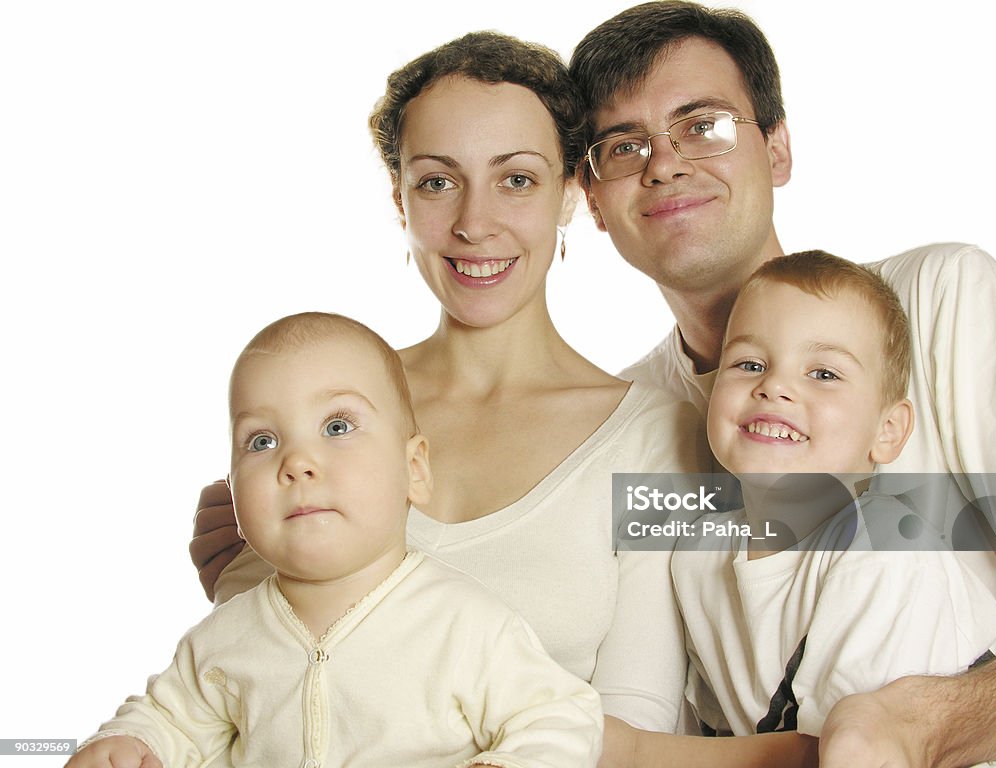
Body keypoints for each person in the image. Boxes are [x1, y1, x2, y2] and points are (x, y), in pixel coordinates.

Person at [190, 31, 707, 733]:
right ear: (400, 201)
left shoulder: (658, 438)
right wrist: (243, 592)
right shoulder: (317, 399)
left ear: (569, 194)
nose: (474, 222)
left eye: (516, 179)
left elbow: (634, 724)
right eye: (437, 182)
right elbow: (256, 685)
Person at [568, 2, 996, 765]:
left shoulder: (943, 298)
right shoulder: (630, 422)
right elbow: (648, 708)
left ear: (777, 148)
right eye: (623, 146)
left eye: (703, 124)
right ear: (594, 203)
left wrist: (929, 724)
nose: (664, 163)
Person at [69, 311, 603, 768]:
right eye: (262, 440)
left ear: (414, 469)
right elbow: (172, 721)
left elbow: (559, 715)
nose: (297, 462)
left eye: (338, 427)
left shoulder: (465, 625)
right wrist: (128, 743)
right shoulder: (223, 638)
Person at [600, 251, 996, 767]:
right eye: (749, 364)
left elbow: (843, 754)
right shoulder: (695, 555)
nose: (775, 385)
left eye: (823, 373)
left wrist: (634, 750)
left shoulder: (887, 553)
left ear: (888, 431)